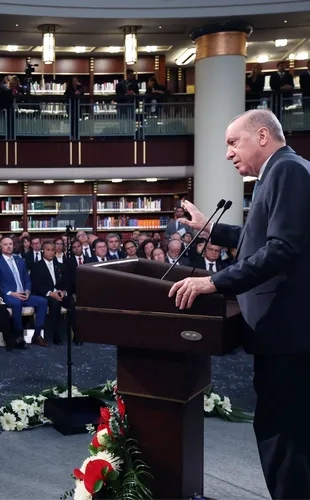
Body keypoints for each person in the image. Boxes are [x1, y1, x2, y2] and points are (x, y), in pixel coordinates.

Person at [168, 109, 310, 500]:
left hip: (287, 335)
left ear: (262, 135)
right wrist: (210, 229)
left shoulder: (287, 170)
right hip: (286, 335)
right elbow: (259, 237)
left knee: (284, 439)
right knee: (287, 435)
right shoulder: (282, 171)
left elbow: (281, 249)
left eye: (233, 142)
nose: (228, 153)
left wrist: (213, 281)